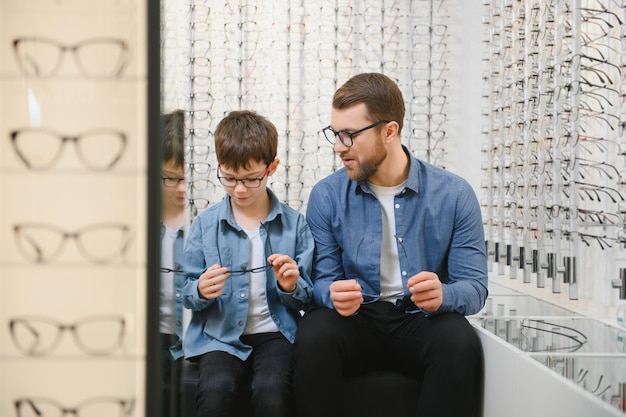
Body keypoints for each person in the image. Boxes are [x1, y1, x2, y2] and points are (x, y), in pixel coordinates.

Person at [292, 73, 488, 417]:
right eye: (335, 133)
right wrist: (330, 293)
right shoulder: (326, 195)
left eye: (350, 135)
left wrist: (445, 294)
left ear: (389, 130)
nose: (339, 146)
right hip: (357, 321)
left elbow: (475, 287)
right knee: (314, 333)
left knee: (459, 340)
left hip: (420, 320)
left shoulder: (455, 195)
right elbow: (321, 282)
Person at [181, 110, 314, 417]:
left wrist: (291, 286)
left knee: (272, 391)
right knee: (214, 391)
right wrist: (200, 289)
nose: (239, 189)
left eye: (251, 179)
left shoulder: (295, 225)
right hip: (219, 335)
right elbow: (184, 290)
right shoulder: (206, 224)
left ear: (272, 168)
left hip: (276, 334)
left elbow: (309, 296)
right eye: (229, 178)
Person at [159, 109, 187, 417]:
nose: (182, 188)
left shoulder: (206, 224)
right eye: (171, 178)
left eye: (187, 179)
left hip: (193, 339)